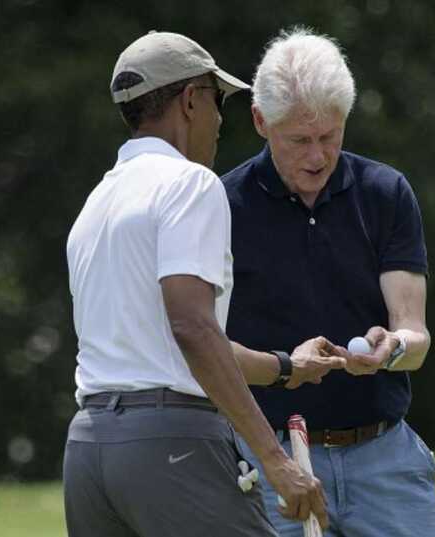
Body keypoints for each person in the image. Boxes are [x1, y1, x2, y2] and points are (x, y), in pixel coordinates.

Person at [63, 31, 346, 537]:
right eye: (218, 102)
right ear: (191, 100)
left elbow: (173, 343)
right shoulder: (190, 185)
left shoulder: (98, 202)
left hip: (89, 450)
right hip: (172, 447)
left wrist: (286, 368)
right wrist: (275, 460)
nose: (219, 121)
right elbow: (192, 327)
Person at [222, 27, 435, 536]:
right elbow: (205, 343)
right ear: (261, 121)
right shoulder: (221, 206)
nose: (318, 156)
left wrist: (391, 348)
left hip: (384, 456)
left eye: (331, 136)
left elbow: (415, 334)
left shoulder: (385, 193)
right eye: (300, 140)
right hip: (271, 458)